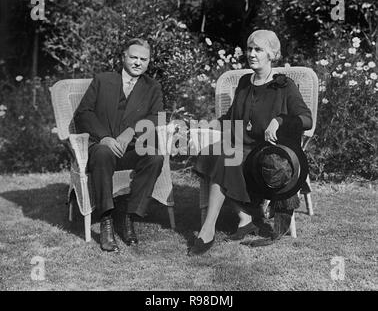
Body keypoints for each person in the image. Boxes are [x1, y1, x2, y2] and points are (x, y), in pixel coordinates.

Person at [188, 30, 313, 255]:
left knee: (223, 157)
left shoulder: (285, 86)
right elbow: (232, 117)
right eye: (250, 49)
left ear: (272, 54)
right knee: (210, 153)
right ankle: (245, 217)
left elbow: (306, 119)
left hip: (263, 155)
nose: (252, 54)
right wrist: (208, 124)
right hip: (239, 146)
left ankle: (207, 230)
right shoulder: (245, 82)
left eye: (258, 50)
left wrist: (280, 120)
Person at [74, 38, 164, 252]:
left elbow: (157, 117)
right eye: (133, 57)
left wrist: (131, 132)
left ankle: (129, 216)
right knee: (103, 152)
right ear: (123, 57)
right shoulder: (103, 80)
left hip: (132, 148)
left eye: (143, 59)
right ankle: (106, 219)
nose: (137, 63)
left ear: (149, 62)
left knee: (155, 158)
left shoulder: (152, 87)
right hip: (103, 148)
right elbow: (83, 113)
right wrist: (104, 137)